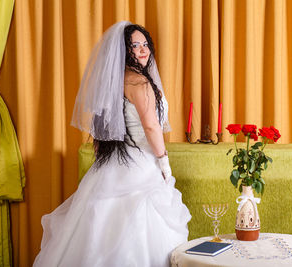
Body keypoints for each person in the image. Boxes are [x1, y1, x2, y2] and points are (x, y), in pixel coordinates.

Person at [33, 21, 191, 267]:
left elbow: (103, 130)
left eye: (145, 44)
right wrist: (164, 161)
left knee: (97, 234)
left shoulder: (114, 82)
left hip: (112, 167)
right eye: (134, 46)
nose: (142, 50)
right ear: (123, 50)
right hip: (141, 166)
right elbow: (151, 126)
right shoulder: (139, 82)